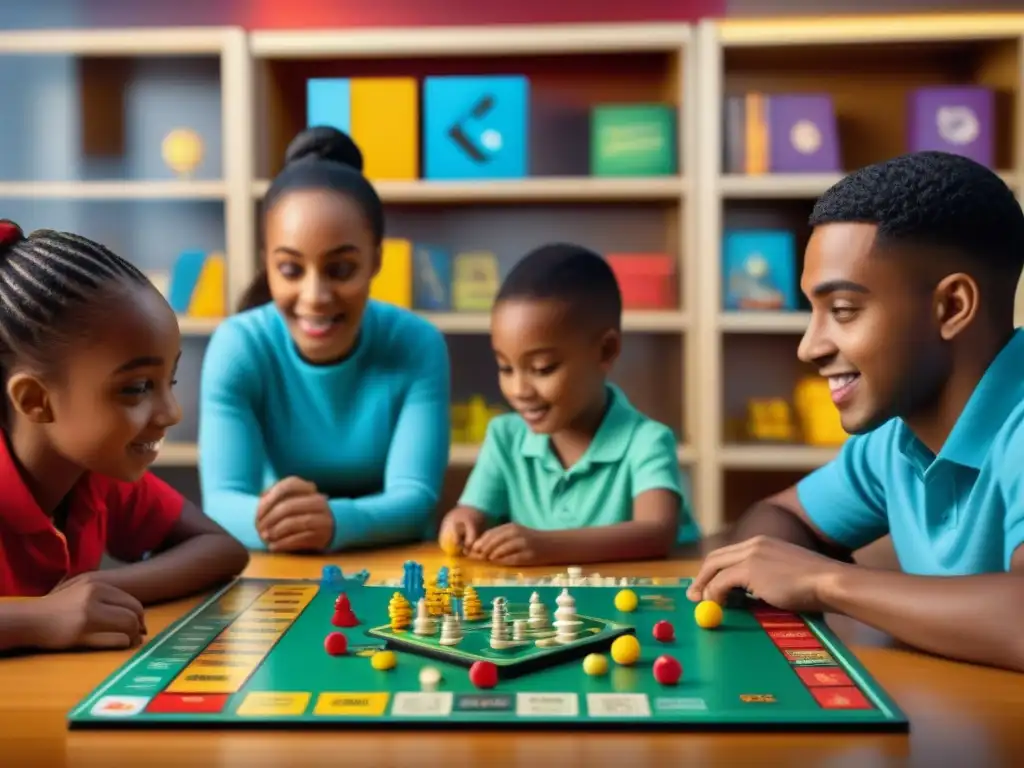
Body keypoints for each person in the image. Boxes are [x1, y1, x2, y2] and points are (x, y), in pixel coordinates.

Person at [687, 151, 1024, 672]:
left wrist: (823, 581)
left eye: (842, 310)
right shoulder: (895, 438)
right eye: (814, 312)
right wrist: (784, 566)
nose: (809, 347)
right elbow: (782, 516)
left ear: (953, 307)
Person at [0, 220, 249, 654]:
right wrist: (41, 619)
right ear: (35, 399)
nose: (172, 413)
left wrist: (98, 586)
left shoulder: (93, 474)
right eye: (135, 388)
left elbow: (222, 548)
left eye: (168, 380)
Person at [198, 127, 450, 553]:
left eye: (341, 269)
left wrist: (335, 522)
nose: (315, 297)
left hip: (394, 565)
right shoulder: (237, 346)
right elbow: (221, 502)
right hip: (278, 559)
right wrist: (291, 524)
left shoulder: (418, 345)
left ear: (376, 260)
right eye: (291, 270)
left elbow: (416, 499)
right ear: (268, 264)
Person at [437, 243, 697, 566]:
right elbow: (474, 509)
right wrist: (462, 520)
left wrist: (547, 547)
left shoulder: (647, 441)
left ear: (605, 351)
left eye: (543, 368)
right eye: (505, 368)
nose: (519, 389)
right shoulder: (504, 437)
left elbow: (656, 532)